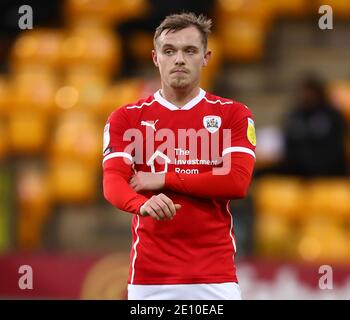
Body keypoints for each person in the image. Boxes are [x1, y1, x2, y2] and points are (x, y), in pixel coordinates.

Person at [102, 13, 256, 300]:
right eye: (169, 51)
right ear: (155, 57)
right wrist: (141, 205)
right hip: (150, 279)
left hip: (215, 276)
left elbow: (236, 182)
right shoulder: (126, 118)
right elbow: (113, 182)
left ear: (206, 56)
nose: (179, 59)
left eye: (190, 50)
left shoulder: (232, 114)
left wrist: (164, 178)